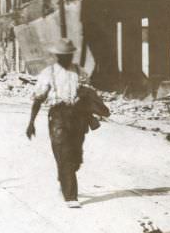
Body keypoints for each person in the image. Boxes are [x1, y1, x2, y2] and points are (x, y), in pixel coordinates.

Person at [25, 37, 109, 208]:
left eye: (69, 55)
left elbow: (89, 92)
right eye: (63, 56)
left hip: (78, 117)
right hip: (58, 116)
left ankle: (63, 179)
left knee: (76, 157)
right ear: (57, 56)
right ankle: (71, 196)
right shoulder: (48, 73)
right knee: (64, 155)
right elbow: (39, 98)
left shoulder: (79, 71)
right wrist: (31, 122)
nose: (66, 58)